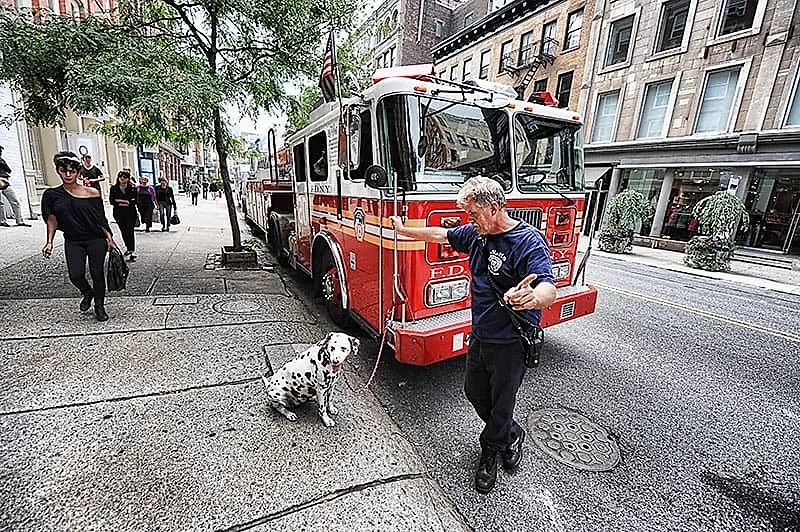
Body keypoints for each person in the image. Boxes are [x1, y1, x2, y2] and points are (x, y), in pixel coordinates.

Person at [391, 176, 557, 494]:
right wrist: (404, 230)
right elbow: (441, 234)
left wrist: (534, 298)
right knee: (473, 392)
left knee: (502, 402)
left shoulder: (527, 241)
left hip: (511, 342)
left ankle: (490, 453)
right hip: (480, 336)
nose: (470, 221)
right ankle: (511, 434)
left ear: (493, 209)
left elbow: (547, 285)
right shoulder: (478, 235)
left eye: (473, 214)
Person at [41, 151, 118, 322]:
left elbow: (100, 218)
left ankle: (99, 305)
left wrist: (109, 238)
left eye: (72, 171)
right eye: (63, 170)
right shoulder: (51, 195)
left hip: (95, 238)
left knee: (97, 273)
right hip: (73, 240)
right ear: (58, 171)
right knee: (75, 275)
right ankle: (87, 292)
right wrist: (49, 242)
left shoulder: (92, 193)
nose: (68, 175)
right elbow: (51, 218)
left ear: (78, 172)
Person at [109, 170, 138, 261]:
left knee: (130, 230)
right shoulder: (114, 188)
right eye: (120, 177)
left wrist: (121, 201)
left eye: (124, 177)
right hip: (119, 213)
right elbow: (112, 201)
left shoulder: (132, 188)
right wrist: (124, 202)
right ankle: (128, 247)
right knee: (123, 231)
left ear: (128, 179)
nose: (122, 179)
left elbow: (134, 201)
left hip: (130, 213)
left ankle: (131, 249)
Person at [0, 145, 31, 227]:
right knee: (0, 203)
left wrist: (3, 163)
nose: (0, 152)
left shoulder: (2, 160)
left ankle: (19, 221)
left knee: (15, 200)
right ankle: (2, 221)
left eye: (1, 151)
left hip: (5, 181)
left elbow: (9, 170)